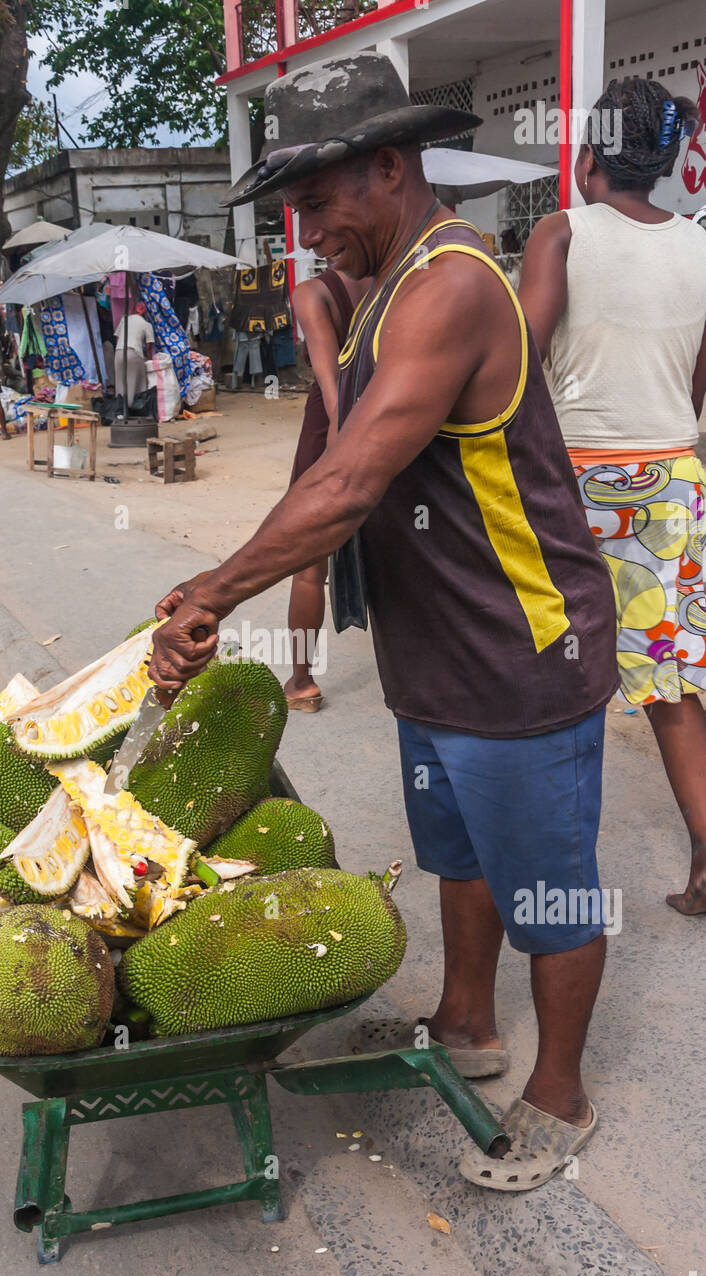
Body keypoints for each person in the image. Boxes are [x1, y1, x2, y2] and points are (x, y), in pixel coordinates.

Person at [146, 51, 620, 1191]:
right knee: (455, 852)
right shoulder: (377, 288)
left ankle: (559, 1087)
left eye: (316, 201)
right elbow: (329, 464)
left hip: (519, 648)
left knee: (547, 885)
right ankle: (466, 1019)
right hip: (434, 649)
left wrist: (210, 590)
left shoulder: (450, 281)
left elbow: (348, 482)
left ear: (390, 169)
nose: (304, 231)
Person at [518, 77, 706, 916]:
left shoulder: (562, 232)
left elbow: (520, 357)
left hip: (575, 483)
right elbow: (698, 386)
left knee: (563, 668)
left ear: (588, 156)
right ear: (666, 164)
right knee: (668, 680)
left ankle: (554, 872)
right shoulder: (702, 246)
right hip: (674, 478)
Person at [284, 268, 370, 712]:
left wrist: (337, 463)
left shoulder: (313, 293)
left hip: (330, 434)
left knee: (308, 568)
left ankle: (301, 683)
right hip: (389, 423)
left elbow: (332, 384)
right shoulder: (395, 278)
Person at [114, 301, 154, 405]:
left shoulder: (124, 319)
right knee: (136, 382)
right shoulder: (146, 324)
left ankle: (120, 407)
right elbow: (149, 346)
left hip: (119, 352)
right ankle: (133, 407)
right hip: (134, 352)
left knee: (120, 382)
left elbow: (118, 338)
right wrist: (149, 360)